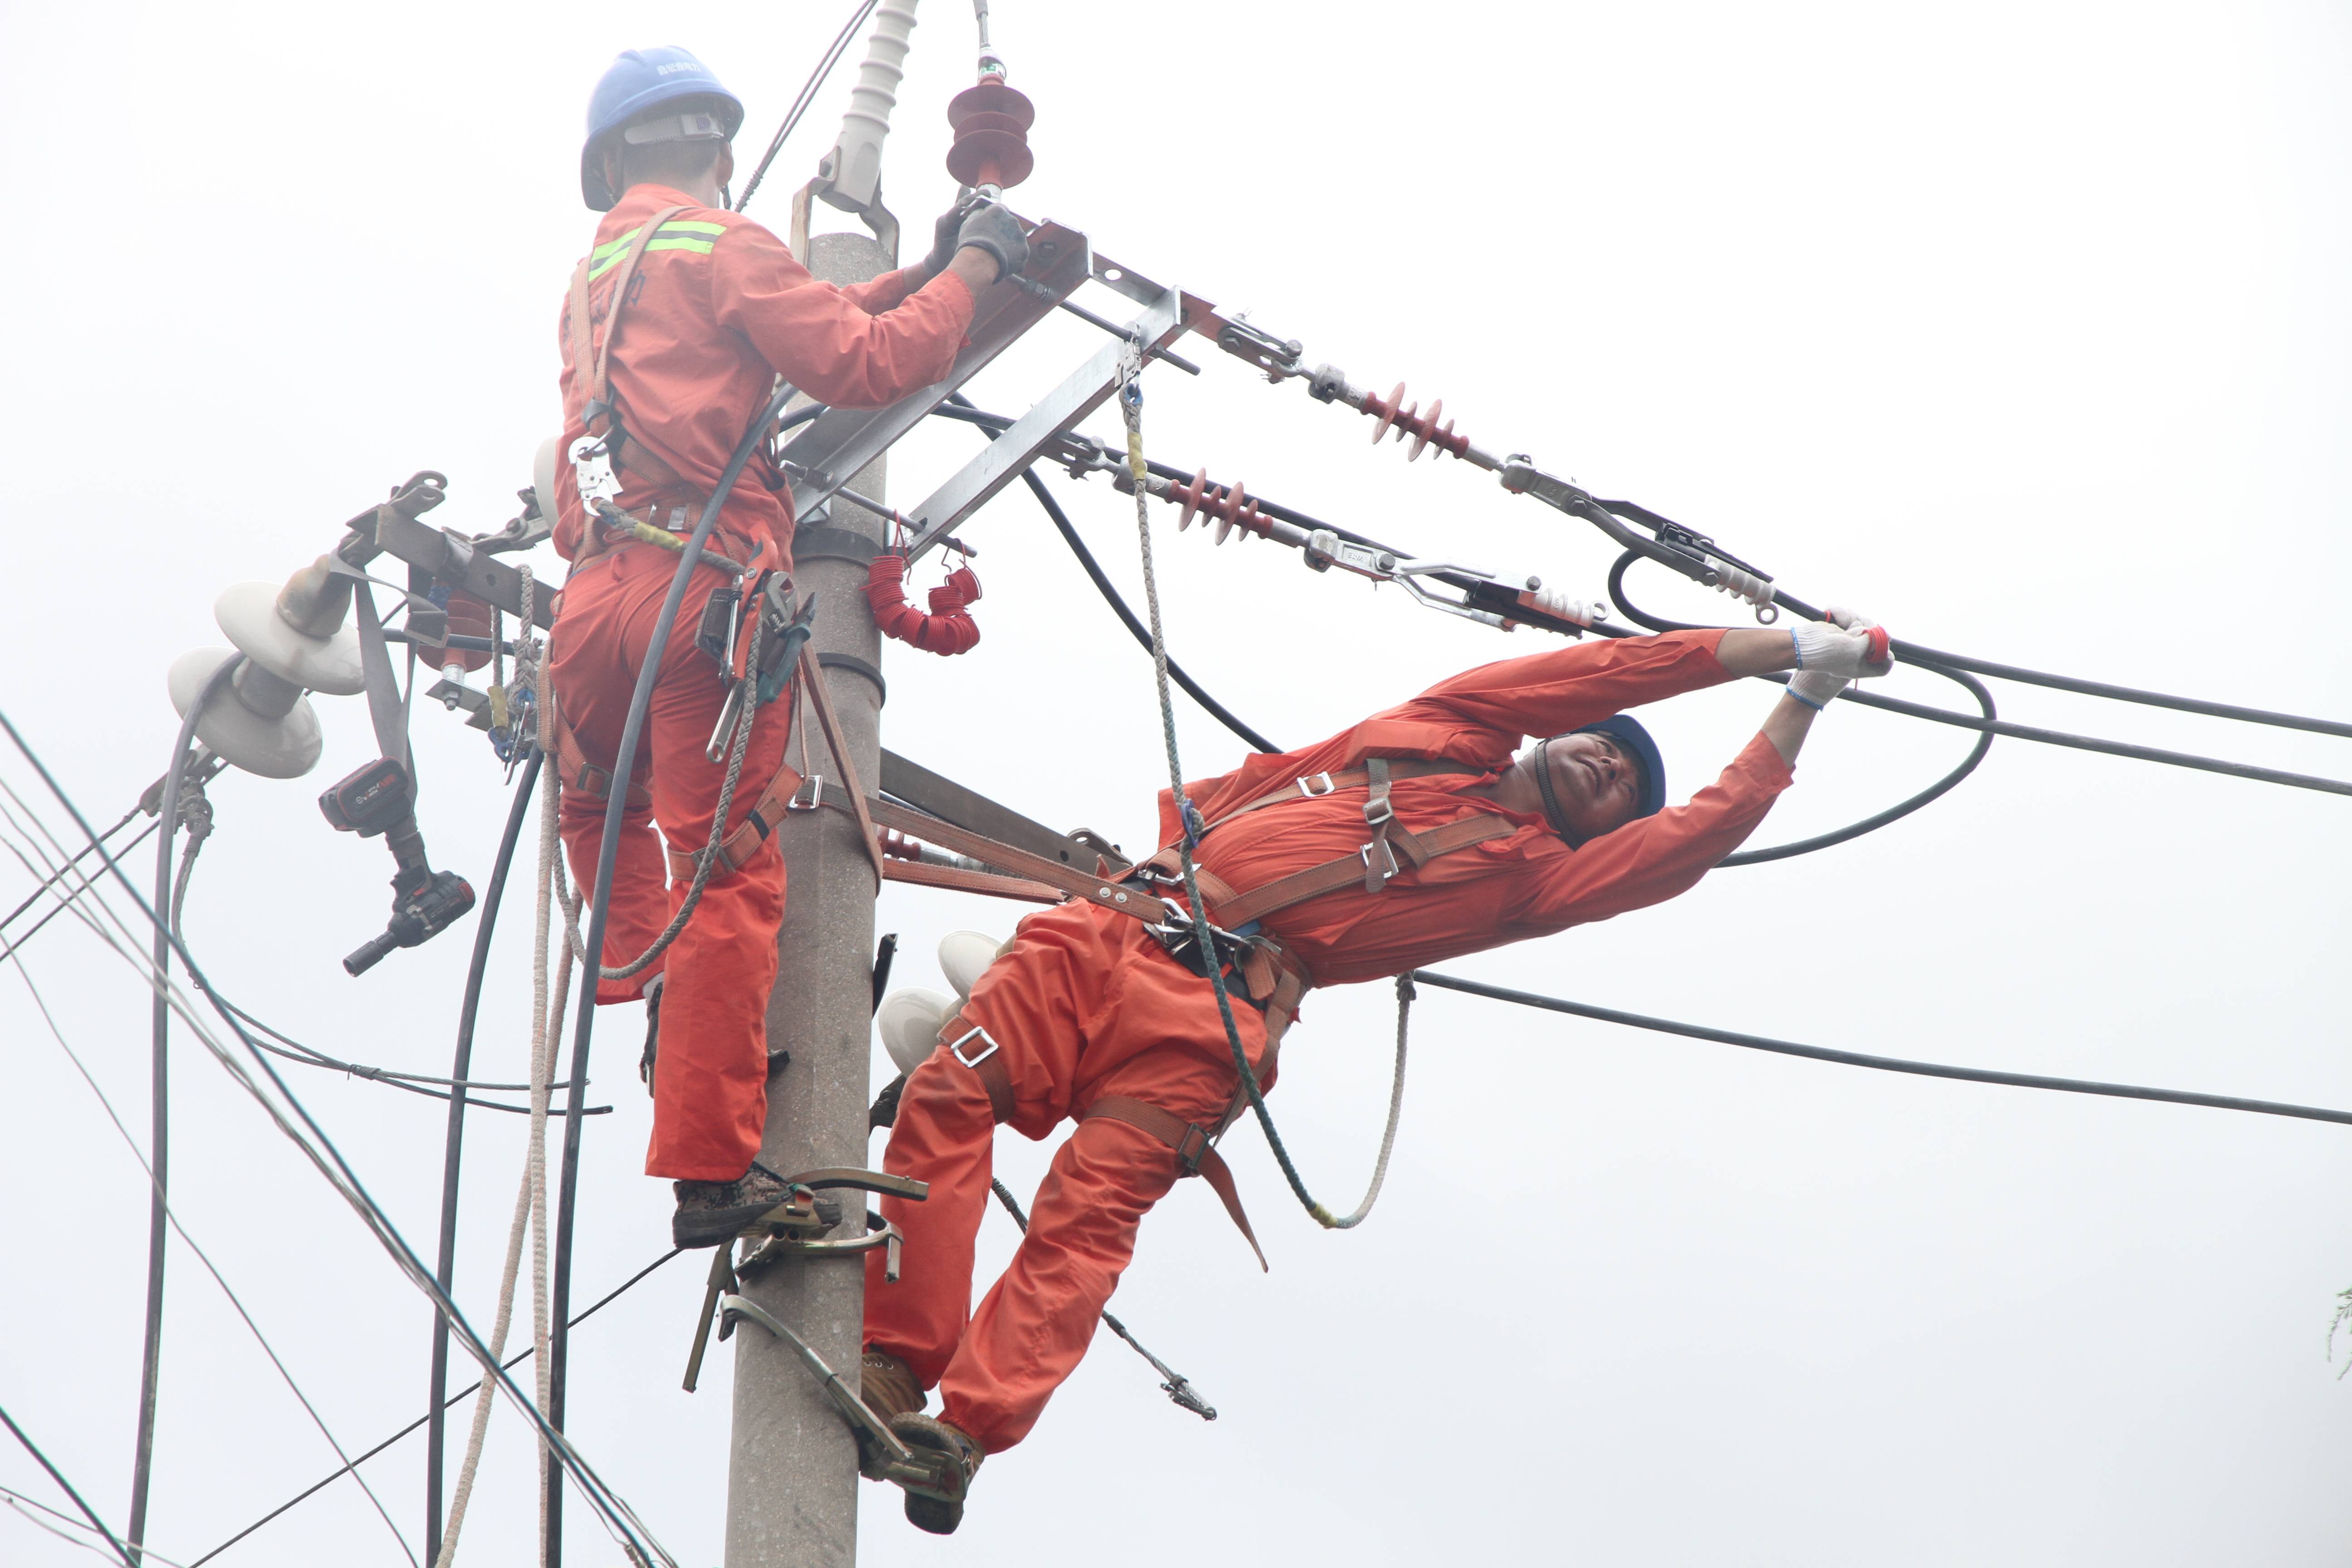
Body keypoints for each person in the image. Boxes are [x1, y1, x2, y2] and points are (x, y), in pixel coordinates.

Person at [859, 608, 1895, 1532]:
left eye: (1628, 790)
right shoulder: (1441, 730)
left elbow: (1695, 836)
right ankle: (895, 1365)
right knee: (951, 1096)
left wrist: (1803, 699)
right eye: (1609, 751)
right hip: (1116, 926)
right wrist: (1781, 644)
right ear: (1557, 733)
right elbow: (1609, 670)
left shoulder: (1540, 880)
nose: (1615, 770)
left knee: (1088, 1223)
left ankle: (968, 1433)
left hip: (1213, 1023)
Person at [544, 46, 1027, 1248]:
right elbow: (865, 363)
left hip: (596, 595)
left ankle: (639, 981)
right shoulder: (726, 243)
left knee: (602, 813)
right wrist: (978, 268)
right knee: (729, 873)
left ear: (613, 166)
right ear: (716, 146)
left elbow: (614, 440)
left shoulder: (596, 280)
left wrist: (933, 272)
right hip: (702, 599)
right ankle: (711, 1172)